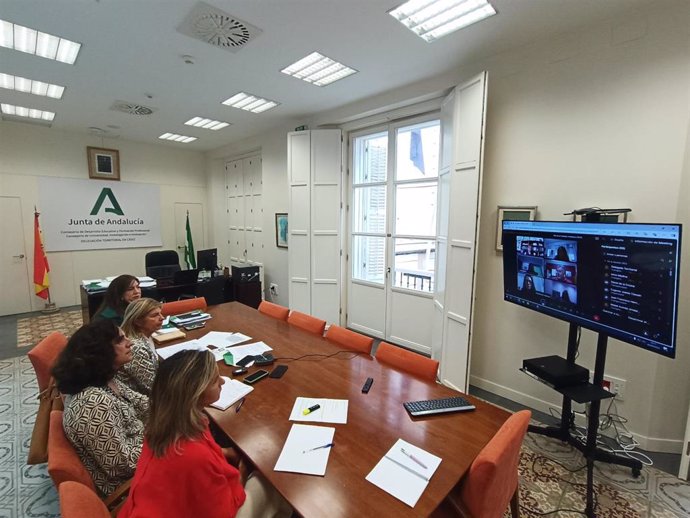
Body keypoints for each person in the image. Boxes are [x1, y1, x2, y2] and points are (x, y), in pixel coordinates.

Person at [118, 350, 292, 518]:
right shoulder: (192, 455)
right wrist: (244, 472)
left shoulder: (166, 424)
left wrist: (225, 453)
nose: (223, 381)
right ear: (196, 392)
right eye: (215, 380)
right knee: (272, 480)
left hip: (151, 505)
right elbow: (226, 511)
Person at [52, 320, 148, 497]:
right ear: (99, 352)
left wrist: (175, 408)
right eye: (120, 340)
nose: (130, 342)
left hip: (145, 451)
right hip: (131, 487)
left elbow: (143, 404)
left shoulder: (104, 379)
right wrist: (164, 441)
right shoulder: (92, 403)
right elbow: (122, 465)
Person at [119, 298, 164, 395]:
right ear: (138, 321)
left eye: (160, 313)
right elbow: (154, 388)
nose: (162, 318)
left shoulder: (146, 336)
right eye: (155, 315)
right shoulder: (135, 347)